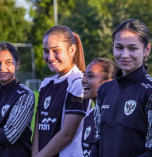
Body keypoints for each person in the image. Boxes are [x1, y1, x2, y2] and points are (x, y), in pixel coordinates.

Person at [90, 19, 152, 157]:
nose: (125, 55)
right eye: (119, 47)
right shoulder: (104, 90)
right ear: (113, 47)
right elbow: (97, 140)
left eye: (132, 48)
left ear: (147, 50)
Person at [32, 25, 86, 157]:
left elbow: (67, 135)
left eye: (56, 51)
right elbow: (38, 129)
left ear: (72, 50)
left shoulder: (79, 83)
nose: (50, 57)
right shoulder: (45, 84)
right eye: (46, 51)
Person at [0, 42, 35, 156]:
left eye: (8, 62)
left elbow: (9, 135)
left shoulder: (25, 95)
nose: (2, 67)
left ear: (17, 64)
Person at [81, 57, 118, 157]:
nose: (83, 80)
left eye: (90, 76)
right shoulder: (89, 116)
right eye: (84, 75)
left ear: (108, 83)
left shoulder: (116, 116)